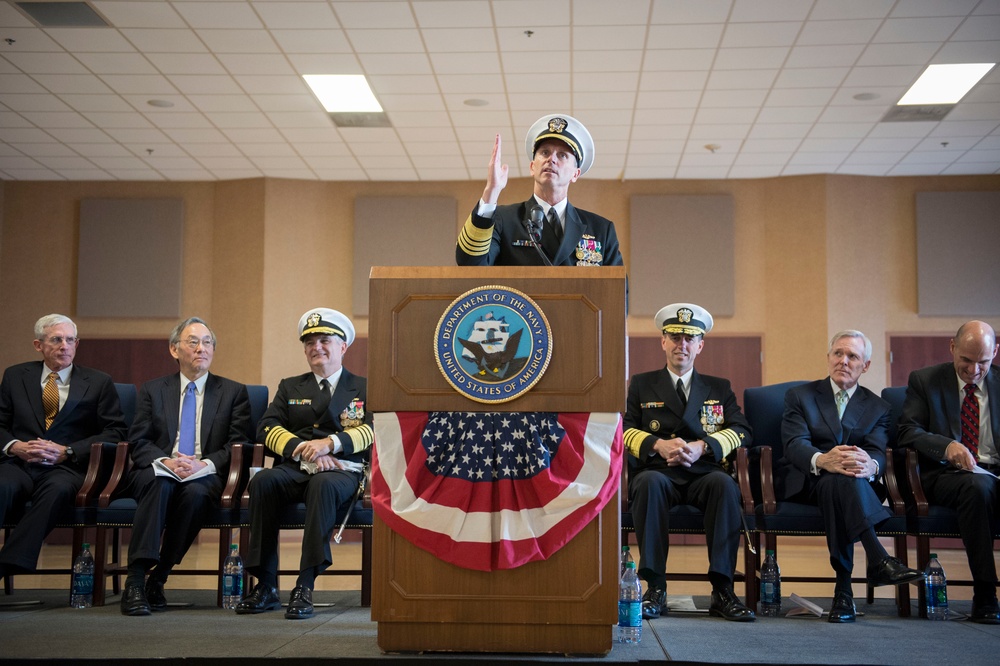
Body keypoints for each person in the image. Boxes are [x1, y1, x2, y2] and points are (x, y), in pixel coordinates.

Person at [236, 308, 373, 620]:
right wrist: (303, 448)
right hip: (297, 467)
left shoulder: (364, 387)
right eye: (310, 342)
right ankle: (266, 585)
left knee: (324, 484)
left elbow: (375, 430)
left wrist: (331, 444)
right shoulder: (290, 386)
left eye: (325, 340)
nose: (317, 347)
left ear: (343, 347)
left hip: (341, 472)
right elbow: (266, 428)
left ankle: (305, 585)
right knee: (263, 481)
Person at [779, 330, 923, 623]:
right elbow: (794, 444)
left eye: (852, 356)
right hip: (809, 480)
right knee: (836, 479)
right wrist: (823, 459)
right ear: (829, 358)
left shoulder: (879, 407)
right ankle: (876, 562)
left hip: (850, 484)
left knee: (840, 482)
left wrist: (872, 466)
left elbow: (876, 451)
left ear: (865, 365)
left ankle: (844, 591)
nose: (843, 361)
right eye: (838, 354)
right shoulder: (801, 396)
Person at [623, 303, 755, 622]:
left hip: (703, 472)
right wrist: (657, 444)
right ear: (663, 342)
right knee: (648, 484)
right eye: (675, 337)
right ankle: (655, 587)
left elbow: (742, 430)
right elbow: (624, 428)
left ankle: (723, 590)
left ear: (700, 345)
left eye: (690, 338)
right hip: (658, 471)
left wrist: (702, 446)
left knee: (725, 485)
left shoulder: (718, 387)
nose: (682, 344)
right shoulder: (642, 383)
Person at [118, 317, 252, 616]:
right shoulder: (153, 390)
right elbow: (138, 440)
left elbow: (237, 444)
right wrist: (166, 461)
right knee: (159, 482)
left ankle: (159, 576)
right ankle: (136, 581)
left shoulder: (233, 392)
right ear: (174, 349)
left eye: (207, 343)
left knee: (195, 495)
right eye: (193, 342)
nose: (201, 348)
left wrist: (202, 464)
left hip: (204, 473)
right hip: (157, 469)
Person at [0, 314, 127, 577]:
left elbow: (115, 432)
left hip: (66, 468)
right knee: (2, 485)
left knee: (57, 490)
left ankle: (8, 563)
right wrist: (15, 446)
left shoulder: (98, 381)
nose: (64, 346)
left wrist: (67, 451)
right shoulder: (15, 376)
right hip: (19, 463)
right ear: (39, 345)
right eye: (57, 339)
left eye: (71, 340)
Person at [897, 320, 1000, 624]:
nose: (973, 370)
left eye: (983, 361)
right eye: (966, 360)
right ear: (952, 348)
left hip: (993, 472)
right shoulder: (925, 380)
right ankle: (986, 596)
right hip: (946, 475)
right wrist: (946, 446)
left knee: (983, 487)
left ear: (995, 352)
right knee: (976, 489)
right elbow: (906, 431)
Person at [456, 114, 623, 267]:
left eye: (562, 155)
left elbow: (619, 292)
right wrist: (491, 191)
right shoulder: (504, 219)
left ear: (575, 173)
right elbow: (470, 263)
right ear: (532, 167)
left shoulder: (600, 229)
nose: (551, 159)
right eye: (545, 152)